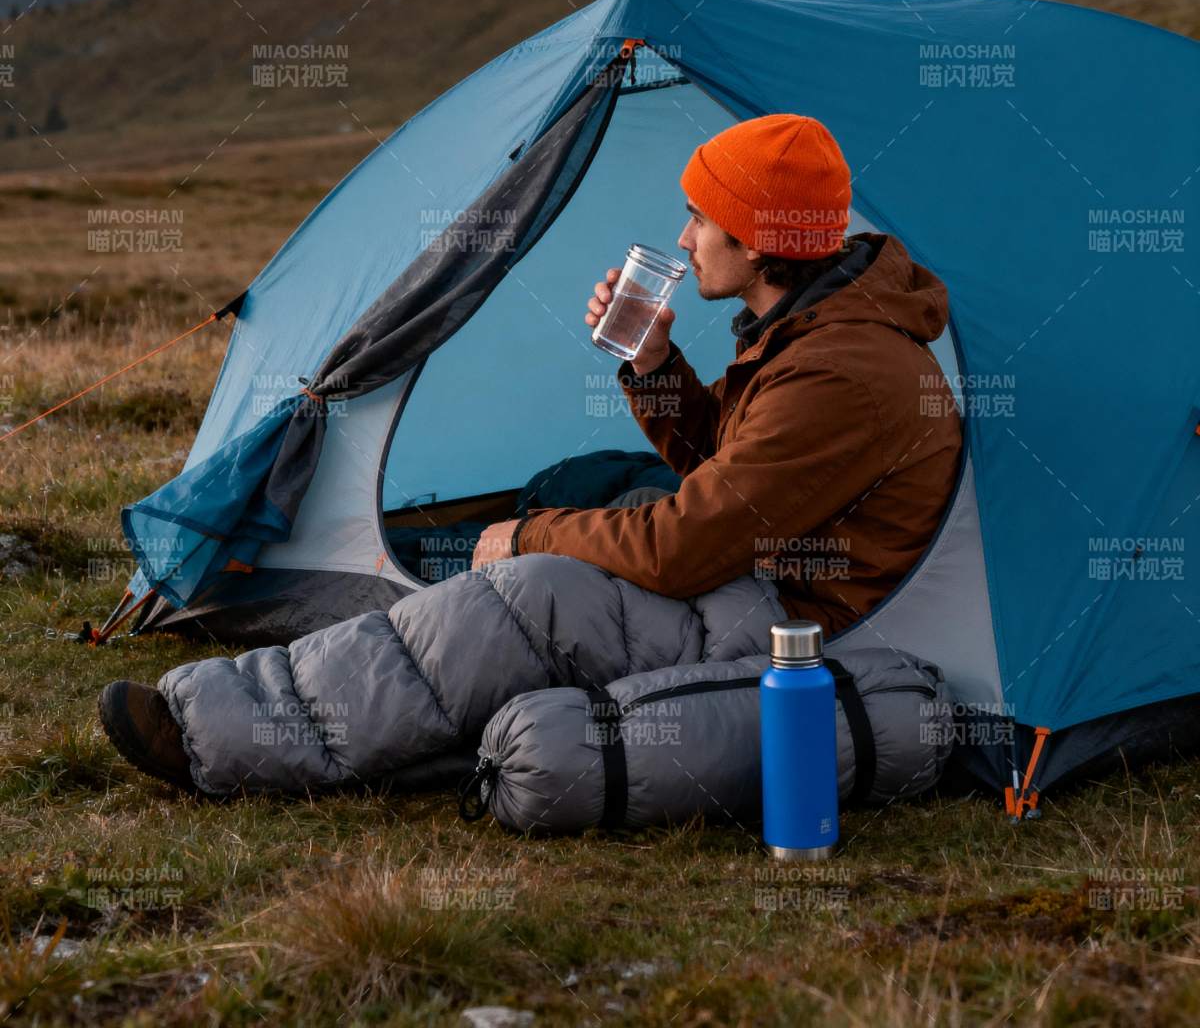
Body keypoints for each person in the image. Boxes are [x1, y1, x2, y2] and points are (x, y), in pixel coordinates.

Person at [98, 113, 962, 796]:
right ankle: (251, 712)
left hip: (796, 627)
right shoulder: (813, 328)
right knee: (574, 529)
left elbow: (686, 544)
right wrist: (652, 365)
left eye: (703, 217)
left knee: (535, 593)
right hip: (759, 578)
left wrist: (532, 535)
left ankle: (220, 735)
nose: (686, 236)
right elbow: (732, 474)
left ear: (757, 241)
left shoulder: (840, 370)